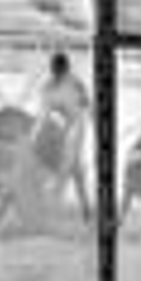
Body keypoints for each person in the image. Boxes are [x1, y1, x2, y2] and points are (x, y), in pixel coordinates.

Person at [36, 51, 93, 224]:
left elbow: (86, 105)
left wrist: (86, 119)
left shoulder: (75, 83)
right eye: (55, 69)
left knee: (70, 165)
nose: (58, 72)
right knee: (74, 171)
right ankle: (85, 210)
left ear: (66, 68)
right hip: (55, 130)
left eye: (61, 69)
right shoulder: (47, 87)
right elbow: (44, 113)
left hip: (74, 128)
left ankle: (69, 208)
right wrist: (41, 131)